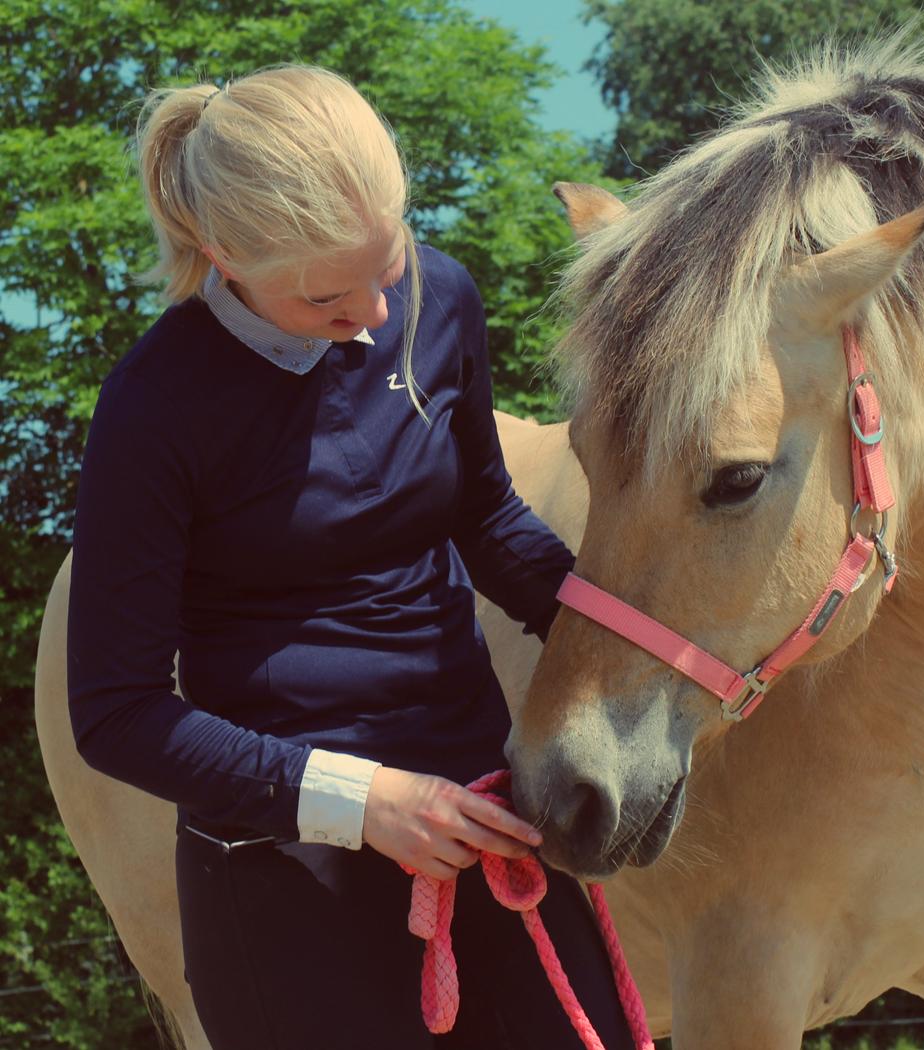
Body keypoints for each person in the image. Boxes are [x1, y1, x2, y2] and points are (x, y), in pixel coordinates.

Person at [66, 64, 636, 1050]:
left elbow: (488, 518)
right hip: (279, 867)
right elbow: (117, 717)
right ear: (224, 257)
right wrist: (366, 801)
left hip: (477, 814)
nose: (376, 316)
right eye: (328, 294)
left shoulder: (439, 299)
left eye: (390, 262)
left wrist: (630, 647)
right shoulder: (154, 408)